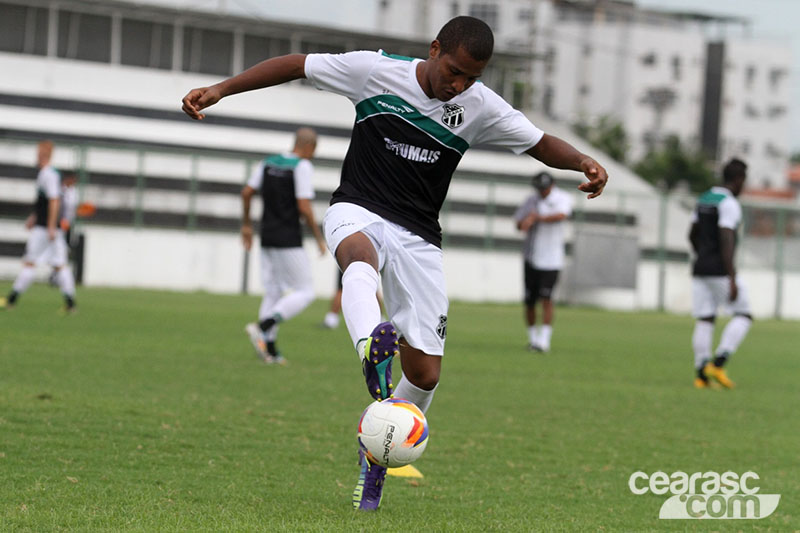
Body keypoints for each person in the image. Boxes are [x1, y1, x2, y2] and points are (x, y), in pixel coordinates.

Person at [182, 15, 608, 511]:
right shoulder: (374, 71)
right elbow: (296, 64)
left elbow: (538, 143)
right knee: (357, 254)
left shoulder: (478, 105)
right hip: (357, 207)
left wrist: (583, 162)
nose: (459, 84)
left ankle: (377, 455)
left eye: (472, 77)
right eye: (453, 71)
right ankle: (369, 344)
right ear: (434, 49)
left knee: (425, 374)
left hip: (420, 237)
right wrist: (221, 89)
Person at [242, 128, 327, 365]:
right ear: (310, 147)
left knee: (274, 291)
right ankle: (262, 326)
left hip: (266, 235)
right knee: (306, 291)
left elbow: (247, 192)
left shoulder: (268, 163)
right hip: (288, 237)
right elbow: (304, 207)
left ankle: (269, 350)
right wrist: (319, 237)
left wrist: (247, 225)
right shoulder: (302, 166)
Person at [689, 158, 752, 389]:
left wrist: (702, 254)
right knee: (744, 315)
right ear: (738, 180)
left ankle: (701, 375)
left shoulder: (704, 198)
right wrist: (731, 276)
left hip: (700, 266)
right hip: (719, 269)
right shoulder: (729, 203)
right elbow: (727, 237)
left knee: (705, 318)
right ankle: (719, 363)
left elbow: (692, 233)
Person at [2, 141, 77, 313]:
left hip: (45, 229)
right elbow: (46, 201)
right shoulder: (52, 174)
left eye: (39, 153)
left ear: (43, 154)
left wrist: (49, 225)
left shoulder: (48, 174)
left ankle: (11, 300)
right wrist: (34, 217)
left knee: (30, 263)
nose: (37, 156)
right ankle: (71, 304)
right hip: (50, 227)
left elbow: (54, 200)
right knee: (60, 264)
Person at [514, 171, 573, 352]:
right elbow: (518, 223)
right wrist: (525, 222)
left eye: (545, 188)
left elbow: (562, 215)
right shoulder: (531, 200)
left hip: (551, 258)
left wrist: (537, 218)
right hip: (531, 257)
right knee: (529, 300)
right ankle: (533, 340)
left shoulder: (562, 198)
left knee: (546, 298)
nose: (542, 192)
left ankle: (544, 341)